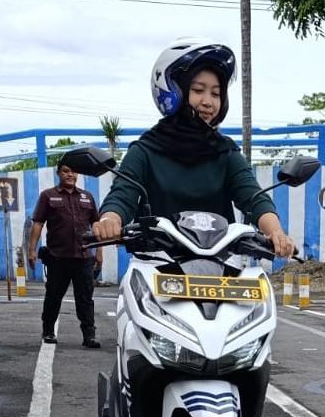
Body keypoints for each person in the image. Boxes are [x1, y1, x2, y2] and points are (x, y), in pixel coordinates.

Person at [91, 39, 296, 258]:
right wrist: (110, 220)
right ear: (172, 92)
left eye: (216, 94)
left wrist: (276, 232)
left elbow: (254, 197)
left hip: (219, 268)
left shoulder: (226, 152)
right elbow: (123, 195)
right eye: (198, 90)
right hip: (155, 265)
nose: (208, 102)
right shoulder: (144, 151)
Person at [28, 161, 104, 347]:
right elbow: (38, 223)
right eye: (65, 171)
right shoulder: (48, 196)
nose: (70, 174)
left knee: (85, 298)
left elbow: (96, 226)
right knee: (53, 296)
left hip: (84, 257)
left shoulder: (88, 197)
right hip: (57, 258)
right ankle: (48, 332)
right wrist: (31, 250)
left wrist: (99, 252)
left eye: (73, 171)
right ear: (59, 173)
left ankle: (89, 336)